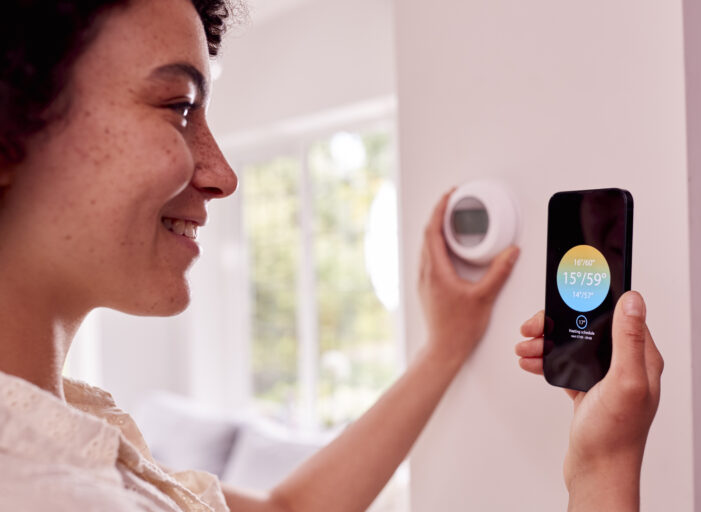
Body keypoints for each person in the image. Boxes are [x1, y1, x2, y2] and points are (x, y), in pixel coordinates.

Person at [0, 0, 662, 511]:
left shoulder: (73, 438)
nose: (224, 174)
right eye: (178, 107)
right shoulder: (42, 487)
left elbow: (291, 509)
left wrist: (446, 350)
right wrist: (605, 474)